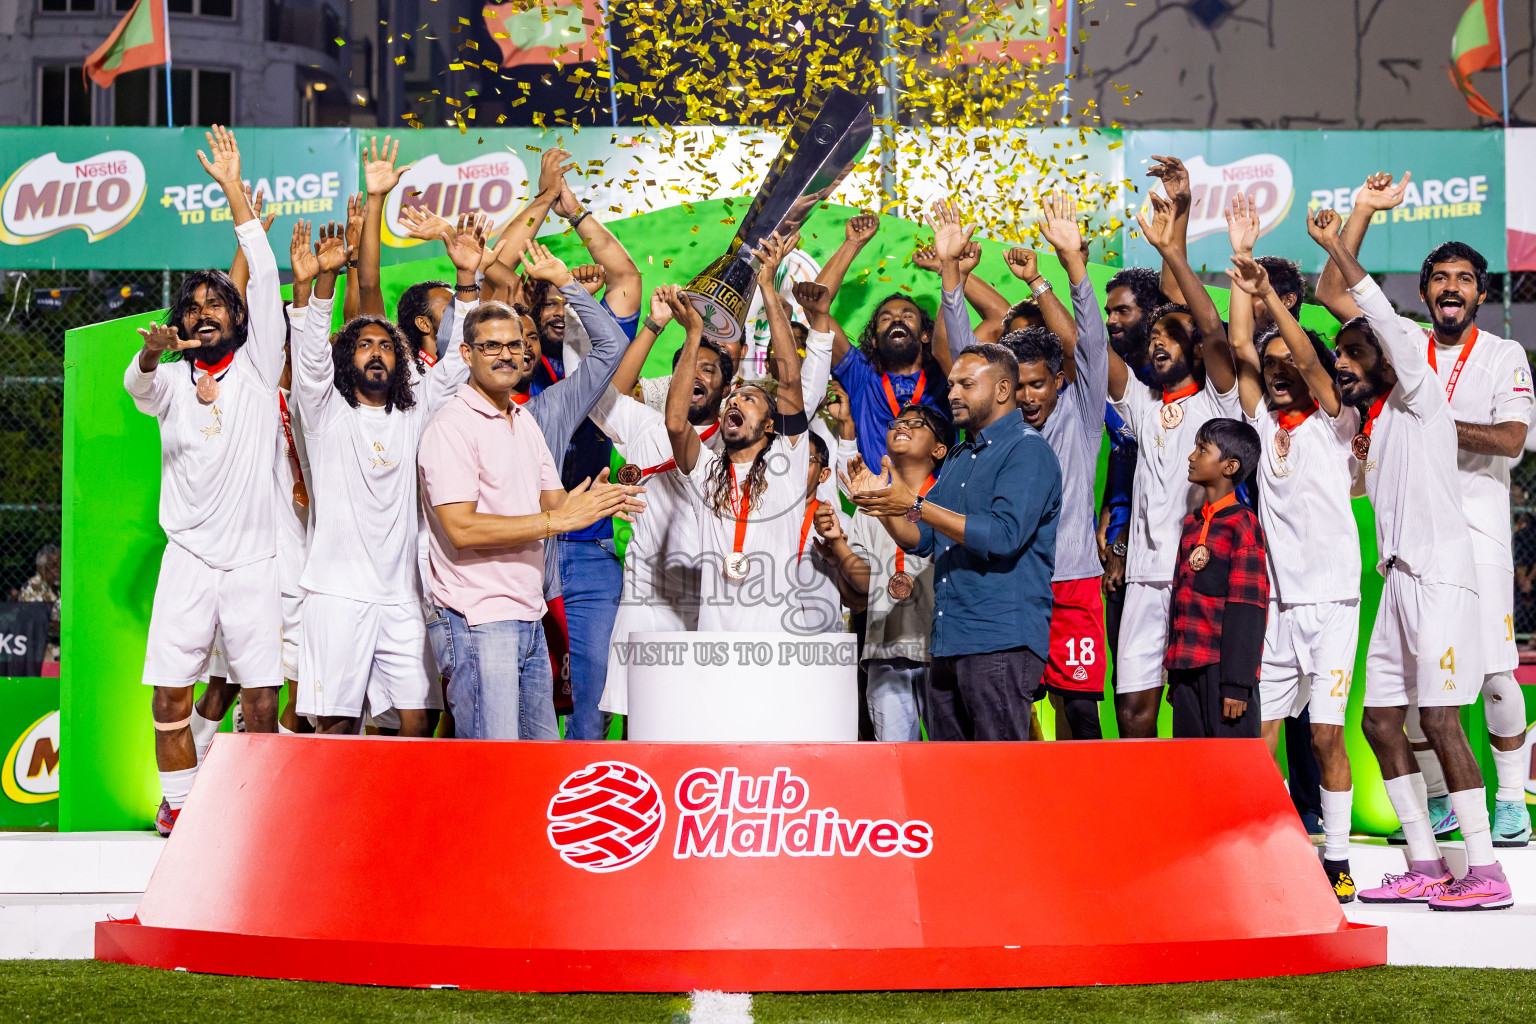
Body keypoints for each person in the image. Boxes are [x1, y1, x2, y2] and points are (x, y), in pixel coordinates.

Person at [1317, 175, 1533, 849]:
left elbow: (1510, 441)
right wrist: (1361, 214)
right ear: (1422, 291)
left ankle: (1509, 798)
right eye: (1439, 276)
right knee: (1406, 682)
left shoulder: (1502, 355)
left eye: (1464, 278)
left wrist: (1431, 422)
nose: (1450, 287)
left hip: (1477, 527)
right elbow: (1332, 296)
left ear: (1481, 291)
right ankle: (1438, 800)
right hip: (1409, 530)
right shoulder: (1399, 342)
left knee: (1496, 669)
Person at [125, 126, 283, 835]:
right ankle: (183, 810)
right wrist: (155, 359)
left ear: (242, 320)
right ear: (177, 322)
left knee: (260, 704)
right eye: (191, 307)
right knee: (167, 699)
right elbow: (138, 383)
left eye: (216, 305)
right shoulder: (169, 385)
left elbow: (262, 273)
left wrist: (233, 191)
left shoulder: (257, 367)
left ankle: (252, 812)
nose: (202, 313)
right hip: (187, 559)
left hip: (253, 561)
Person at [417, 296, 644, 740]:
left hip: (528, 614)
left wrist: (598, 501)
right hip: (477, 618)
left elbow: (556, 505)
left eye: (514, 345)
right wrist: (554, 522)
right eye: (491, 346)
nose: (506, 355)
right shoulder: (451, 426)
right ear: (467, 354)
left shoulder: (524, 422)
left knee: (537, 767)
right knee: (492, 767)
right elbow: (461, 529)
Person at [289, 214, 481, 737]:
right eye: (365, 345)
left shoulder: (416, 411)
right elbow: (307, 364)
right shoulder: (325, 413)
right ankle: (334, 822)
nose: (377, 352)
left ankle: (406, 821)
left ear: (401, 362)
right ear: (346, 359)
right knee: (335, 727)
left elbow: (459, 368)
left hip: (402, 595)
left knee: (418, 725)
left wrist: (467, 282)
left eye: (387, 346)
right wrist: (325, 280)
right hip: (335, 594)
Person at [1224, 195, 1361, 900]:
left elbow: (1302, 355)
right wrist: (1242, 272)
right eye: (1269, 368)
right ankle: (1271, 850)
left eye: (1288, 366)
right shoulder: (1260, 421)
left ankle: (1336, 857)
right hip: (1278, 605)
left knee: (1327, 738)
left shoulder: (1336, 421)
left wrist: (1275, 302)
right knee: (1260, 739)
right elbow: (1245, 349)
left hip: (1333, 603)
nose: (1277, 371)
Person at [935, 194, 1109, 739]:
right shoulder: (991, 432)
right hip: (1010, 588)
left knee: (1078, 714)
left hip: (1073, 584)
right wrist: (949, 278)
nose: (1030, 396)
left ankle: (1083, 818)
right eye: (1021, 385)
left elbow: (1090, 347)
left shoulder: (1079, 418)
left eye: (1040, 383)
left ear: (1059, 381)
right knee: (1008, 715)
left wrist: (1067, 268)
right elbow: (968, 358)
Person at [848, 343, 1061, 741]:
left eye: (966, 384)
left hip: (999, 639)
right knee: (952, 780)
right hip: (946, 642)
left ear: (1001, 390)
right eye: (950, 385)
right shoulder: (961, 457)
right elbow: (923, 538)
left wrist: (912, 503)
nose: (952, 394)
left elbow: (1002, 536)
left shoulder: (1027, 450)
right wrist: (883, 505)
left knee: (997, 777)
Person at [1108, 192, 1241, 739]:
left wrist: (1173, 248)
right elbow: (1088, 348)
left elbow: (1213, 329)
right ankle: (1138, 819)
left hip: (1200, 576)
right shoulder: (1141, 403)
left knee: (1200, 714)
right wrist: (1065, 269)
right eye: (1155, 336)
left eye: (1173, 336)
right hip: (1143, 579)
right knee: (1133, 710)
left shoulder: (1219, 402)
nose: (1161, 343)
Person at [590, 288, 736, 720]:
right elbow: (604, 399)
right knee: (639, 721)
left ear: (725, 387)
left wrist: (693, 336)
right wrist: (653, 326)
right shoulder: (645, 425)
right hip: (645, 600)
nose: (695, 376)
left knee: (698, 723)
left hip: (710, 603)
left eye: (709, 370)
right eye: (688, 368)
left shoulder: (737, 446)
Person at [664, 234, 815, 633]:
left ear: (770, 425)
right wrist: (693, 335)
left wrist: (766, 285)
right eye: (732, 398)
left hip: (778, 641)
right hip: (714, 640)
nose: (734, 402)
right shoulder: (708, 469)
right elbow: (677, 423)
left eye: (749, 399)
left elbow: (789, 381)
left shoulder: (788, 461)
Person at [817, 404, 950, 739]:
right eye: (897, 422)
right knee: (895, 762)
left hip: (940, 652)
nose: (901, 425)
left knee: (947, 762)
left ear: (939, 449)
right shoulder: (868, 508)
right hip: (886, 652)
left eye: (916, 423)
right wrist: (837, 544)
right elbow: (864, 584)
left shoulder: (949, 501)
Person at [1164, 419, 1267, 739]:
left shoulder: (1243, 524)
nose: (1192, 456)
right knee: (1190, 771)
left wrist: (1237, 684)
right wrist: (1175, 674)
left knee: (1232, 774)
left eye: (1203, 449)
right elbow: (1179, 602)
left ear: (1230, 466)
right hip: (1186, 669)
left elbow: (1248, 610)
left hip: (1222, 674)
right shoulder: (1192, 524)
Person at [15, 544, 61, 662]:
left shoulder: (60, 588)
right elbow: (42, 623)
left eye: (60, 564)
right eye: (53, 565)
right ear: (41, 568)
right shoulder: (34, 587)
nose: (58, 569)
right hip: (42, 650)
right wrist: (69, 629)